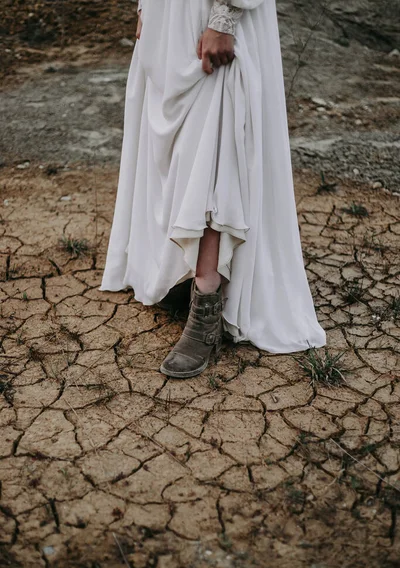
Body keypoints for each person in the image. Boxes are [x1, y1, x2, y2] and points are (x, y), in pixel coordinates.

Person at [99, 0, 326, 378]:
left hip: (211, 15)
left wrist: (225, 18)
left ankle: (207, 301)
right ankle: (178, 273)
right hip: (168, 17)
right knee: (173, 155)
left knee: (217, 146)